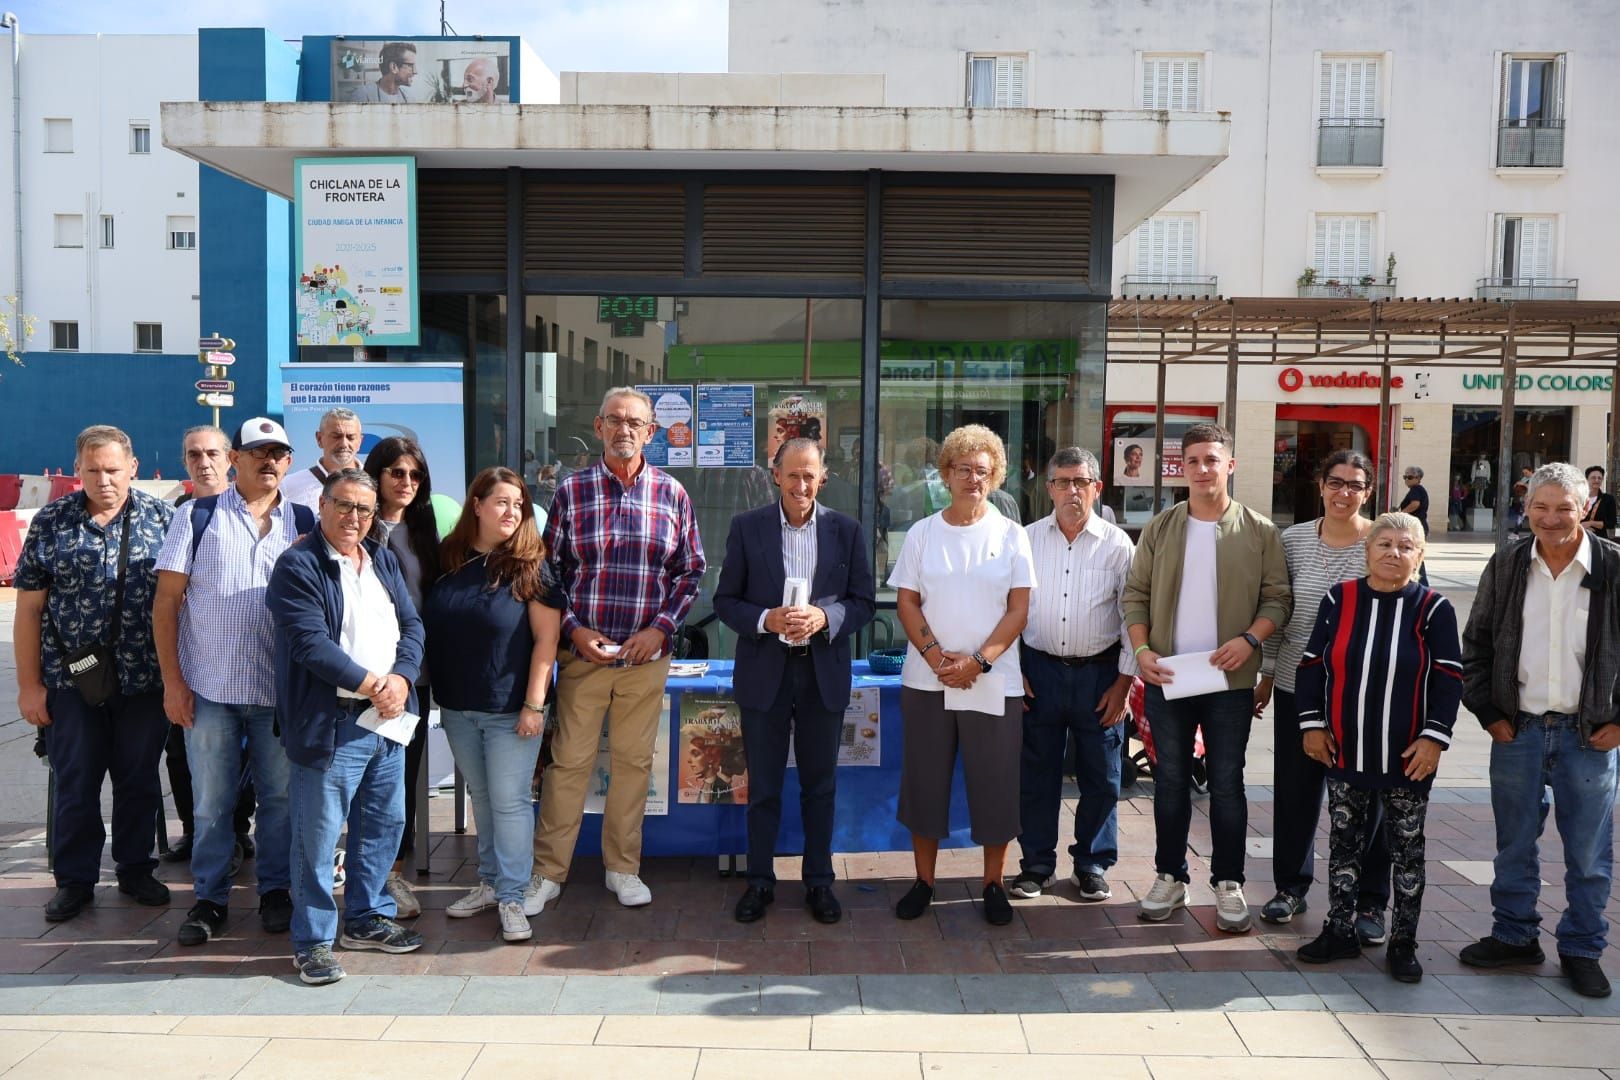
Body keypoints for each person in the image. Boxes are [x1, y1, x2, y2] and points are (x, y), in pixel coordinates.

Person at [528, 387, 705, 912]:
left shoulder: (672, 493)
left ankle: (623, 869)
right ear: (599, 427)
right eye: (614, 420)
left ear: (650, 433)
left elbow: (690, 571)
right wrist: (574, 630)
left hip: (644, 659)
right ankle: (547, 872)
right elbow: (549, 572)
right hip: (583, 656)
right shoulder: (571, 491)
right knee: (568, 763)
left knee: (632, 765)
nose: (624, 430)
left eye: (634, 423)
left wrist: (661, 630)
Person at [1460, 462, 1620, 1000]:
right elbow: (1477, 643)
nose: (1551, 519)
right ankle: (1514, 936)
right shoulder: (1507, 563)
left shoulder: (1613, 566)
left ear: (1585, 508)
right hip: (1518, 730)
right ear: (1526, 507)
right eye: (1540, 507)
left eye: (1564, 508)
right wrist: (1488, 712)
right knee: (1513, 845)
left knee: (1589, 853)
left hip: (1589, 736)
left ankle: (1582, 948)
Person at [1123, 422, 1291, 932]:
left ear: (1230, 465)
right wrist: (1142, 650)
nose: (1201, 469)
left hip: (1229, 684)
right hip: (1168, 678)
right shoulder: (1161, 527)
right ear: (1183, 467)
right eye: (1192, 460)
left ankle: (1229, 883)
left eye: (1211, 459)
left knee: (1226, 784)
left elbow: (1278, 599)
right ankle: (1170, 876)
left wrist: (1250, 641)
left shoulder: (1259, 531)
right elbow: (1135, 594)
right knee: (1170, 782)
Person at [265, 467, 427, 985]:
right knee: (317, 838)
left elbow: (412, 625)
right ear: (323, 506)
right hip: (331, 722)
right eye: (343, 505)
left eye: (363, 509)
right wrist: (374, 684)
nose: (353, 516)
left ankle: (366, 918)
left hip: (387, 720)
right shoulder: (298, 565)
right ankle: (312, 943)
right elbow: (309, 643)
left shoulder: (382, 558)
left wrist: (401, 678)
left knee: (383, 825)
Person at [153, 417, 310, 947]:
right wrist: (173, 683)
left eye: (278, 453)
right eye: (258, 452)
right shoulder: (196, 517)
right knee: (211, 804)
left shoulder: (305, 520)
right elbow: (166, 604)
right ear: (235, 459)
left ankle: (276, 891)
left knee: (280, 801)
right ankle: (210, 898)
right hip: (211, 690)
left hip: (279, 694)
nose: (269, 461)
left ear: (289, 462)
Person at [14, 426, 174, 922]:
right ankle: (75, 881)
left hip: (145, 679)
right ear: (77, 470)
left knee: (139, 780)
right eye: (93, 470)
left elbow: (182, 604)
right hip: (70, 684)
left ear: (133, 467)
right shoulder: (52, 522)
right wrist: (29, 686)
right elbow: (29, 610)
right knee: (76, 783)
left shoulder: (163, 520)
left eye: (113, 469)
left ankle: (135, 868)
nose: (104, 480)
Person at [712, 437, 876, 925]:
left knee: (819, 786)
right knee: (763, 786)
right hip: (765, 671)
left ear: (822, 477)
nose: (801, 485)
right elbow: (725, 601)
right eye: (792, 475)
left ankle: (819, 882)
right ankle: (759, 881)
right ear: (776, 476)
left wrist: (825, 618)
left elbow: (863, 602)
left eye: (809, 475)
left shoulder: (847, 530)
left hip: (821, 673)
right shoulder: (747, 527)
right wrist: (767, 619)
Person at [1293, 512, 1463, 982]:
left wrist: (1434, 738)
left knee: (1407, 850)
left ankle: (1403, 942)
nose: (1393, 553)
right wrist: (1312, 725)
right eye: (1384, 543)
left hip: (1408, 756)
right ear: (1366, 551)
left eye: (1405, 546)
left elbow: (1449, 678)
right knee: (1343, 842)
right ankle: (1339, 930)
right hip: (1345, 749)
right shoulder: (1339, 598)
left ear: (1419, 556)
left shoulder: (1434, 608)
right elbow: (1311, 665)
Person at [888, 425, 1035, 926]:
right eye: (964, 469)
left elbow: (1018, 610)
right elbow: (907, 601)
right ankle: (923, 882)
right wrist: (936, 658)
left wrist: (978, 661)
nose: (973, 478)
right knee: (924, 783)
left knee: (995, 785)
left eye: (983, 470)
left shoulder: (1012, 535)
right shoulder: (922, 533)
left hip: (993, 681)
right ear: (946, 474)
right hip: (927, 681)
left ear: (995, 477)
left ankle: (993, 883)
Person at [1254, 450, 1392, 939]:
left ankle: (1370, 903)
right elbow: (1278, 608)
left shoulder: (1382, 540)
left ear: (1367, 492)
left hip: (1362, 694)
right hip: (1298, 687)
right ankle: (1290, 888)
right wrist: (1267, 674)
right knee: (1296, 794)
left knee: (1368, 799)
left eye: (1355, 485)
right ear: (1320, 484)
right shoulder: (1291, 540)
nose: (1343, 493)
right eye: (1335, 482)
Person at [424, 467, 563, 942]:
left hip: (510, 711)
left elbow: (547, 641)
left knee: (509, 802)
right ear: (477, 506)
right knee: (482, 799)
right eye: (501, 502)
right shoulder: (450, 558)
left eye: (518, 504)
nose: (511, 512)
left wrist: (534, 706)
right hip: (457, 707)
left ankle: (513, 895)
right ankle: (489, 883)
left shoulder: (532, 565)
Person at [1009, 447, 1135, 903]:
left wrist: (1124, 684)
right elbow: (1008, 609)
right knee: (1036, 773)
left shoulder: (1118, 545)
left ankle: (1092, 864)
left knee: (1102, 774)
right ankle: (1036, 865)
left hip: (1100, 675)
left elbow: (1133, 616)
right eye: (1062, 482)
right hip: (1038, 670)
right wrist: (1015, 669)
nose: (1072, 491)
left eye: (1081, 482)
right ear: (1049, 489)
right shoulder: (1025, 540)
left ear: (1097, 488)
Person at [163, 425, 256, 865]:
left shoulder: (253, 511)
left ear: (230, 459)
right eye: (194, 455)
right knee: (183, 754)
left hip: (248, 667)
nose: (203, 463)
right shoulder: (178, 514)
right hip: (192, 662)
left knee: (247, 755)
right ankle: (195, 831)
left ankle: (237, 830)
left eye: (212, 453)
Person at [362, 436, 444, 918]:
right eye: (396, 472)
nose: (407, 482)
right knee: (349, 781)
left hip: (412, 678)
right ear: (376, 475)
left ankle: (390, 874)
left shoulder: (426, 532)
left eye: (415, 475)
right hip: (356, 677)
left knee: (399, 779)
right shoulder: (354, 525)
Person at [280, 408, 362, 511]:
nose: (344, 444)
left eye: (351, 437)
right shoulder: (288, 486)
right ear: (319, 439)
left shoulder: (375, 481)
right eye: (336, 436)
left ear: (360, 442)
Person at [346, 41, 417, 103]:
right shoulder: (361, 96)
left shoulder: (409, 97)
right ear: (394, 67)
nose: (415, 72)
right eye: (410, 66)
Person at [1398, 466, 1431, 584]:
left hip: (1416, 528)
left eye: (1410, 477)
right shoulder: (1417, 490)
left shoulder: (1416, 490)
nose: (1407, 480)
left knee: (1415, 555)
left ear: (1418, 478)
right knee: (1414, 555)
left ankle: (1422, 584)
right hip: (1418, 527)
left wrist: (1401, 514)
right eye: (1405, 477)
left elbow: (1415, 504)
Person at [1580, 465, 1616, 538]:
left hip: (1599, 540)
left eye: (1599, 478)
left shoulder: (1608, 499)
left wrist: (1590, 523)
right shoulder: (1578, 498)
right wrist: (1581, 526)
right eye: (1593, 478)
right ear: (1586, 479)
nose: (1596, 480)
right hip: (1579, 538)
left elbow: (1611, 523)